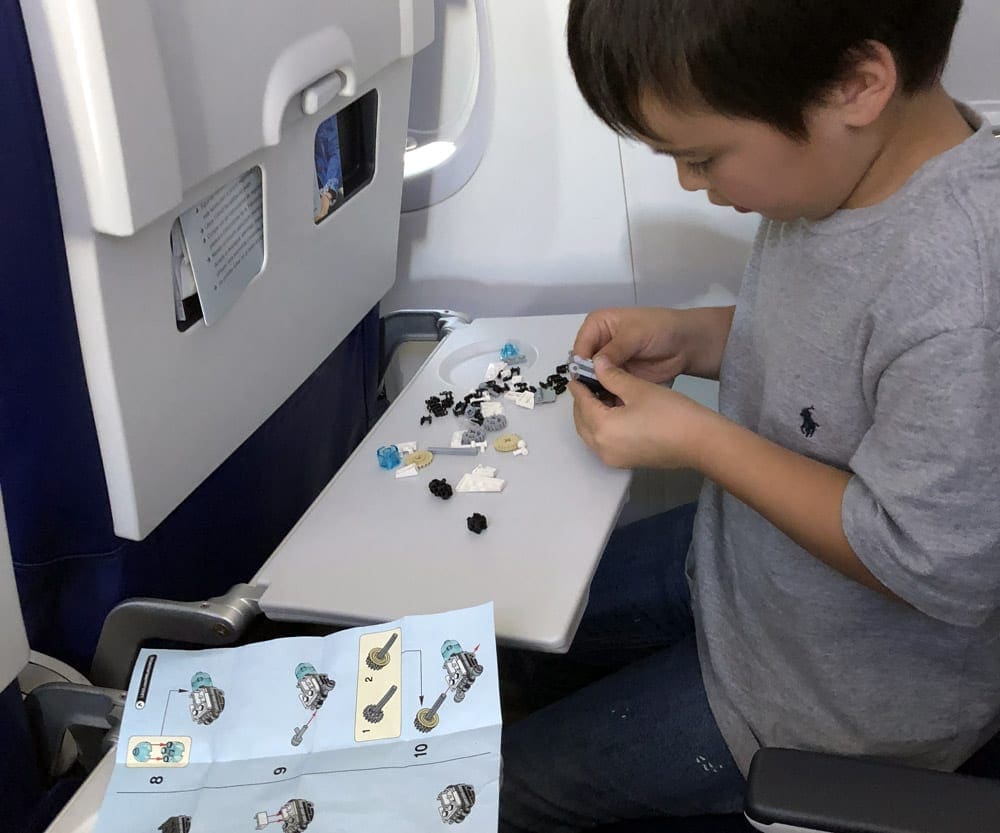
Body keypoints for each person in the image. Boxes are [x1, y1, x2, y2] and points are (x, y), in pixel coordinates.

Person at [499, 1, 1000, 831]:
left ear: (856, 84)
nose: (690, 184)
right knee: (511, 640)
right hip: (740, 568)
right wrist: (695, 337)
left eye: (701, 157)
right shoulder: (844, 177)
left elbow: (922, 560)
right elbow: (844, 365)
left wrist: (695, 437)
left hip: (824, 702)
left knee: (499, 788)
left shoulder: (964, 292)